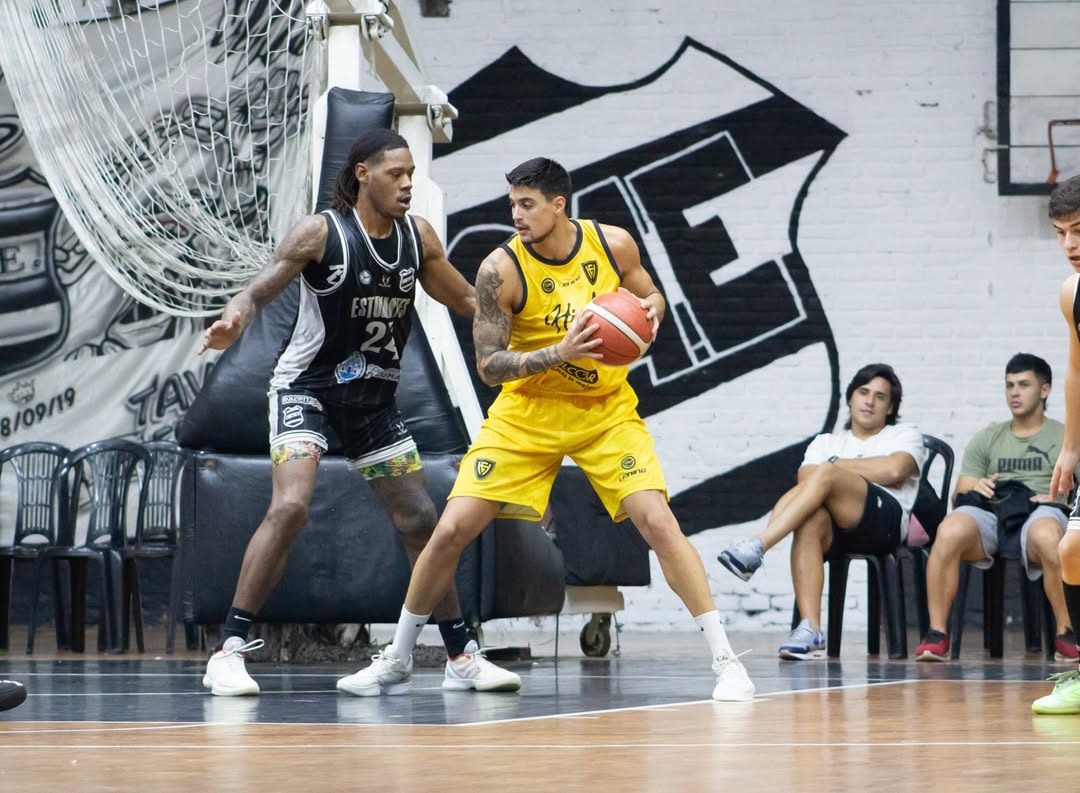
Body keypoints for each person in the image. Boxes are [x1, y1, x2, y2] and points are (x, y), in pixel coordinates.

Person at [336, 157, 755, 702]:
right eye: (512, 203)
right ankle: (397, 658)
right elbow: (489, 367)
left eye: (527, 204)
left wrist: (650, 311)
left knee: (658, 522)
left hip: (604, 411)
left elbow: (650, 295)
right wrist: (561, 351)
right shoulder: (499, 270)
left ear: (559, 205)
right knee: (451, 529)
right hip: (527, 413)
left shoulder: (613, 245)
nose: (516, 214)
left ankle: (726, 662)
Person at [198, 128, 520, 697]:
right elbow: (258, 290)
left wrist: (537, 322)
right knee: (291, 507)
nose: (407, 184)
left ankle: (460, 656)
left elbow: (468, 300)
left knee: (421, 520)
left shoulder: (417, 238)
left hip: (373, 402)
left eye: (411, 174)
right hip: (307, 392)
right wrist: (235, 319)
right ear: (363, 174)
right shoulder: (321, 232)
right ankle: (228, 650)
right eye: (396, 174)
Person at [718, 363, 925, 659]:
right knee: (809, 520)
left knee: (826, 474)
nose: (869, 401)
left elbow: (895, 469)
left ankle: (758, 545)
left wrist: (835, 466)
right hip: (836, 528)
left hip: (884, 525)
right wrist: (848, 471)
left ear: (890, 407)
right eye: (863, 392)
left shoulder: (904, 434)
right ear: (850, 398)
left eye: (880, 397)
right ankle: (811, 629)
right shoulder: (826, 442)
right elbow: (806, 480)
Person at [915, 354, 1078, 662]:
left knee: (1047, 532)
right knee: (949, 529)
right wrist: (975, 487)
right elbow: (960, 492)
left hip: (1043, 510)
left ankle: (1067, 633)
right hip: (994, 511)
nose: (1014, 392)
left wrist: (1062, 501)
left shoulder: (1065, 436)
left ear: (1045, 390)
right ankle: (936, 633)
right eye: (1009, 385)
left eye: (1024, 385)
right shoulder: (988, 437)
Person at [1033, 173, 1080, 714]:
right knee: (1071, 549)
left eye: (1079, 230)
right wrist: (1069, 447)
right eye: (1060, 233)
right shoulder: (1072, 293)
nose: (1069, 244)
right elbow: (1075, 370)